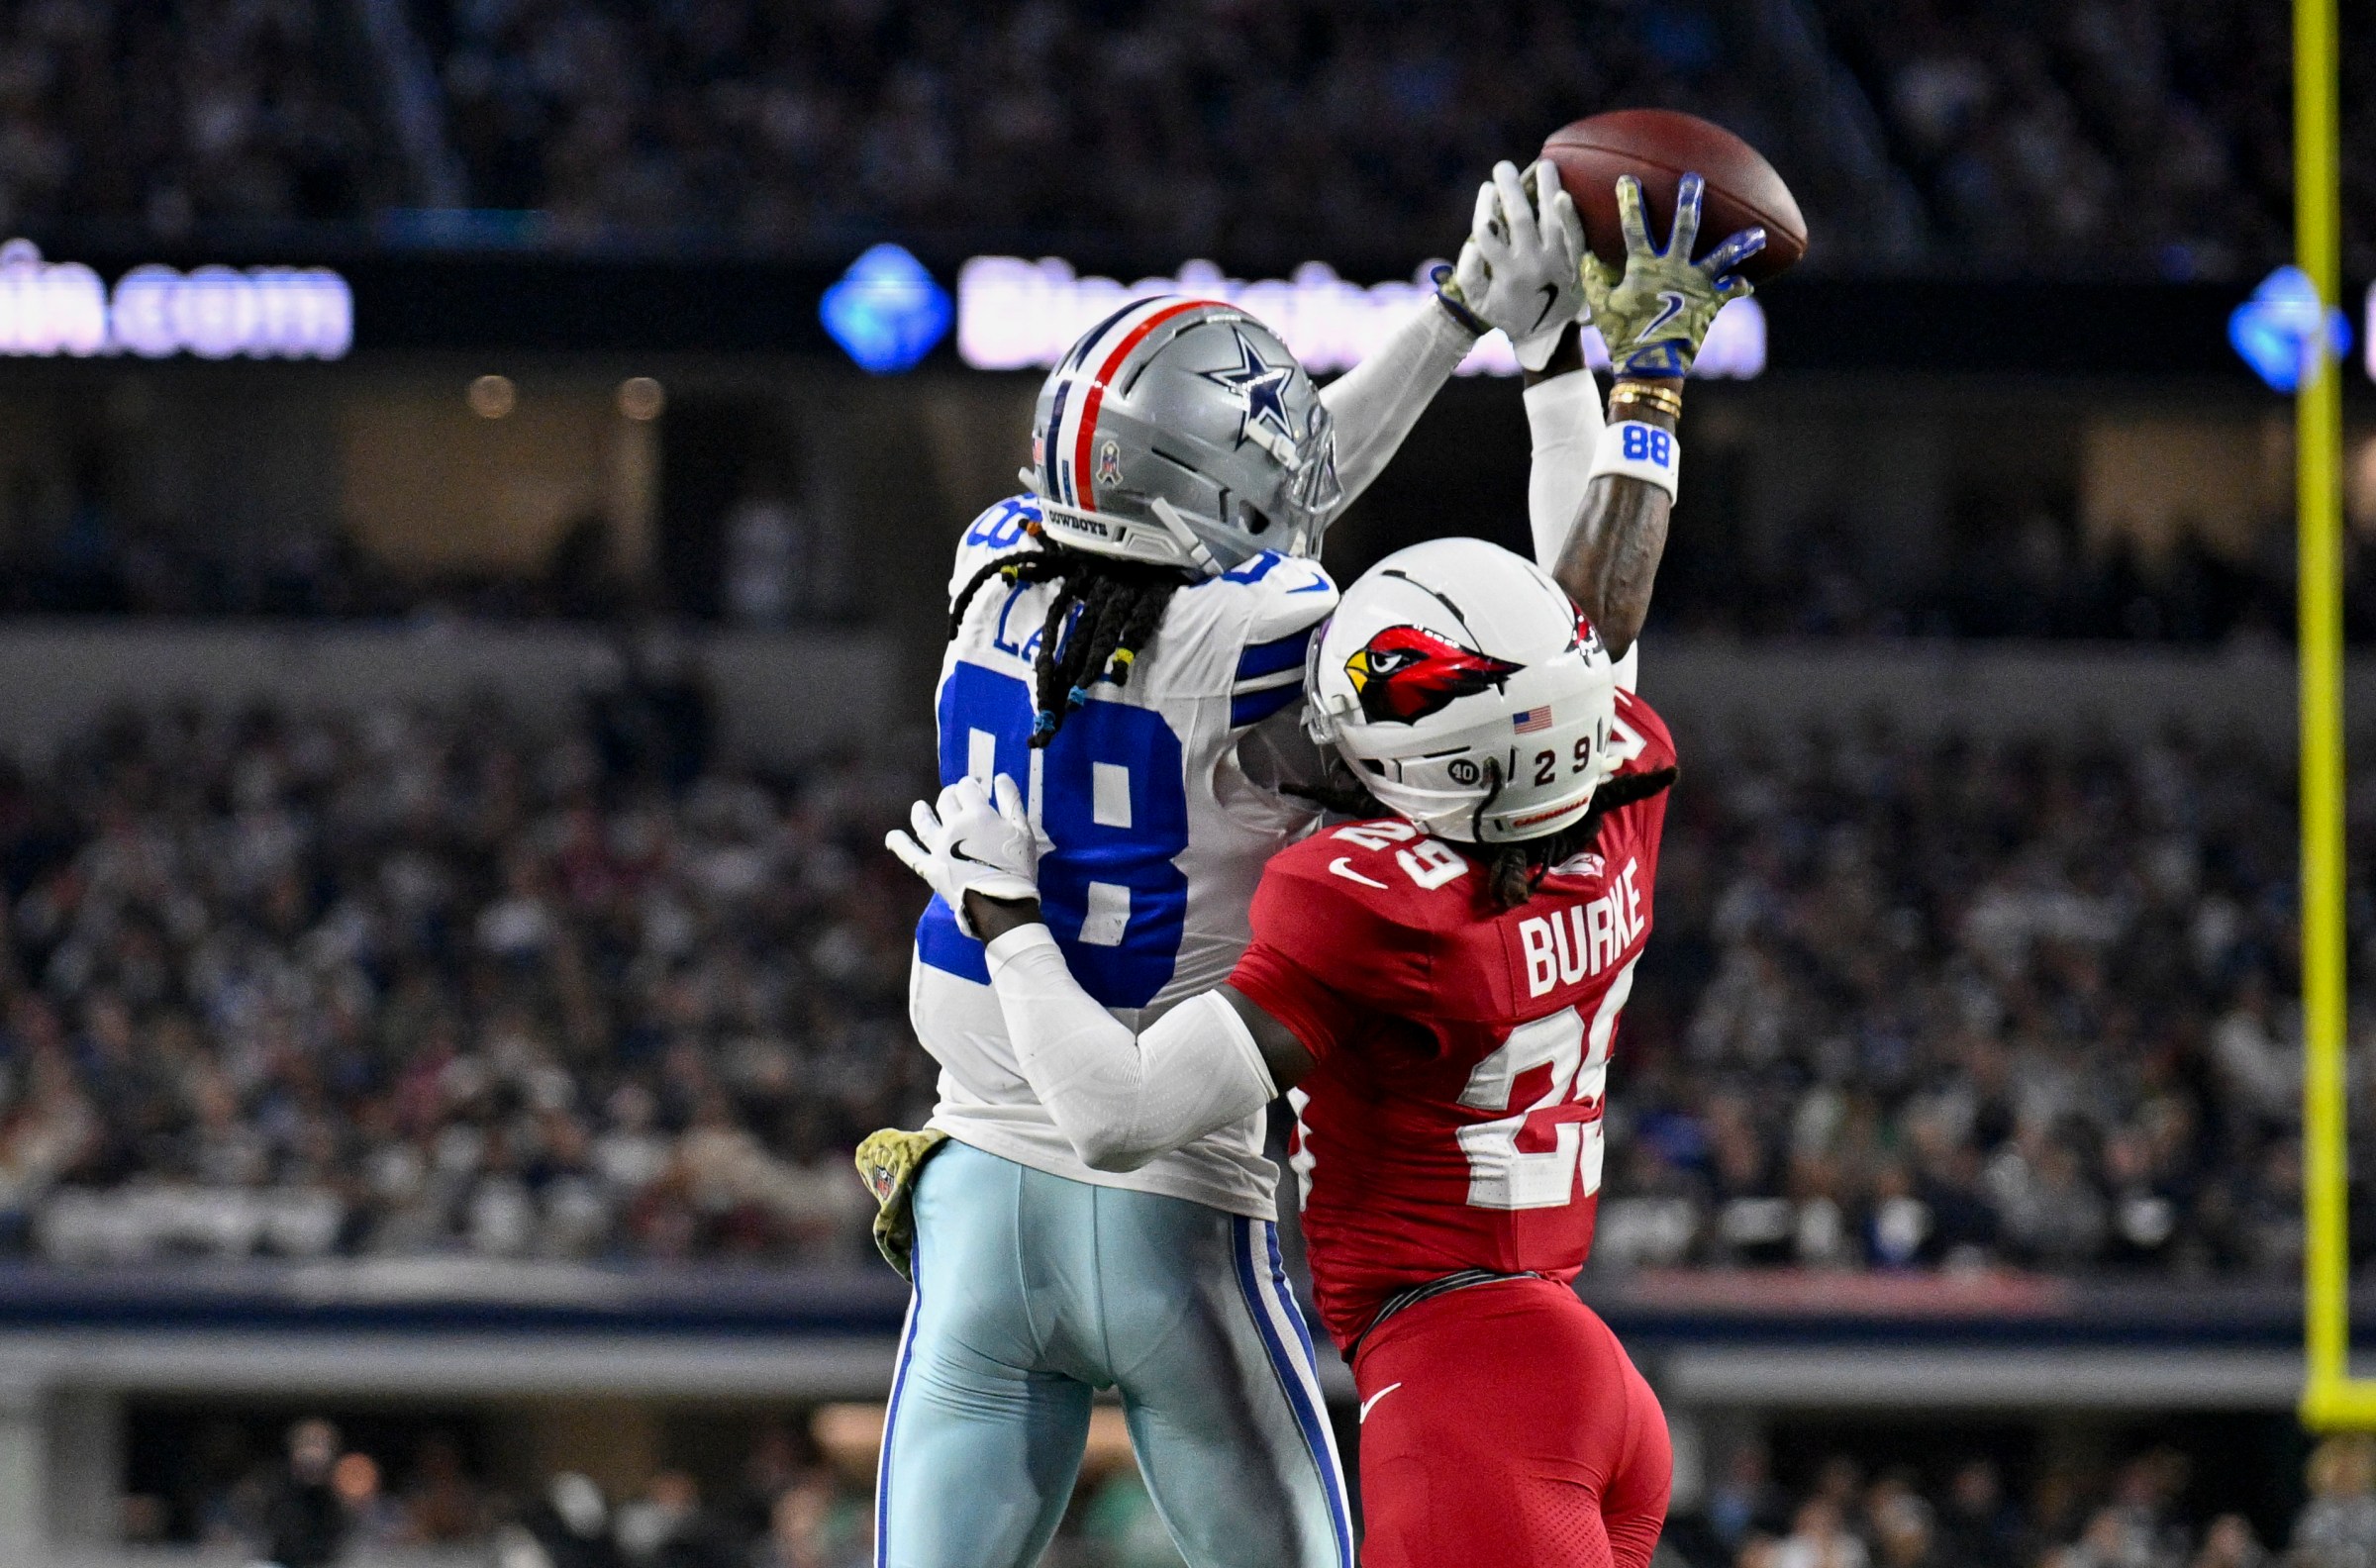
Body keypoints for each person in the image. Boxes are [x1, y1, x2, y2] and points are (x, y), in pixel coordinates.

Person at [889, 172, 1761, 1566]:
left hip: (976, 1165)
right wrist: (1582, 374)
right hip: (1181, 1205)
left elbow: (1264, 501)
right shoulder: (1314, 702)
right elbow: (1561, 634)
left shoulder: (990, 562)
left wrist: (1467, 318)